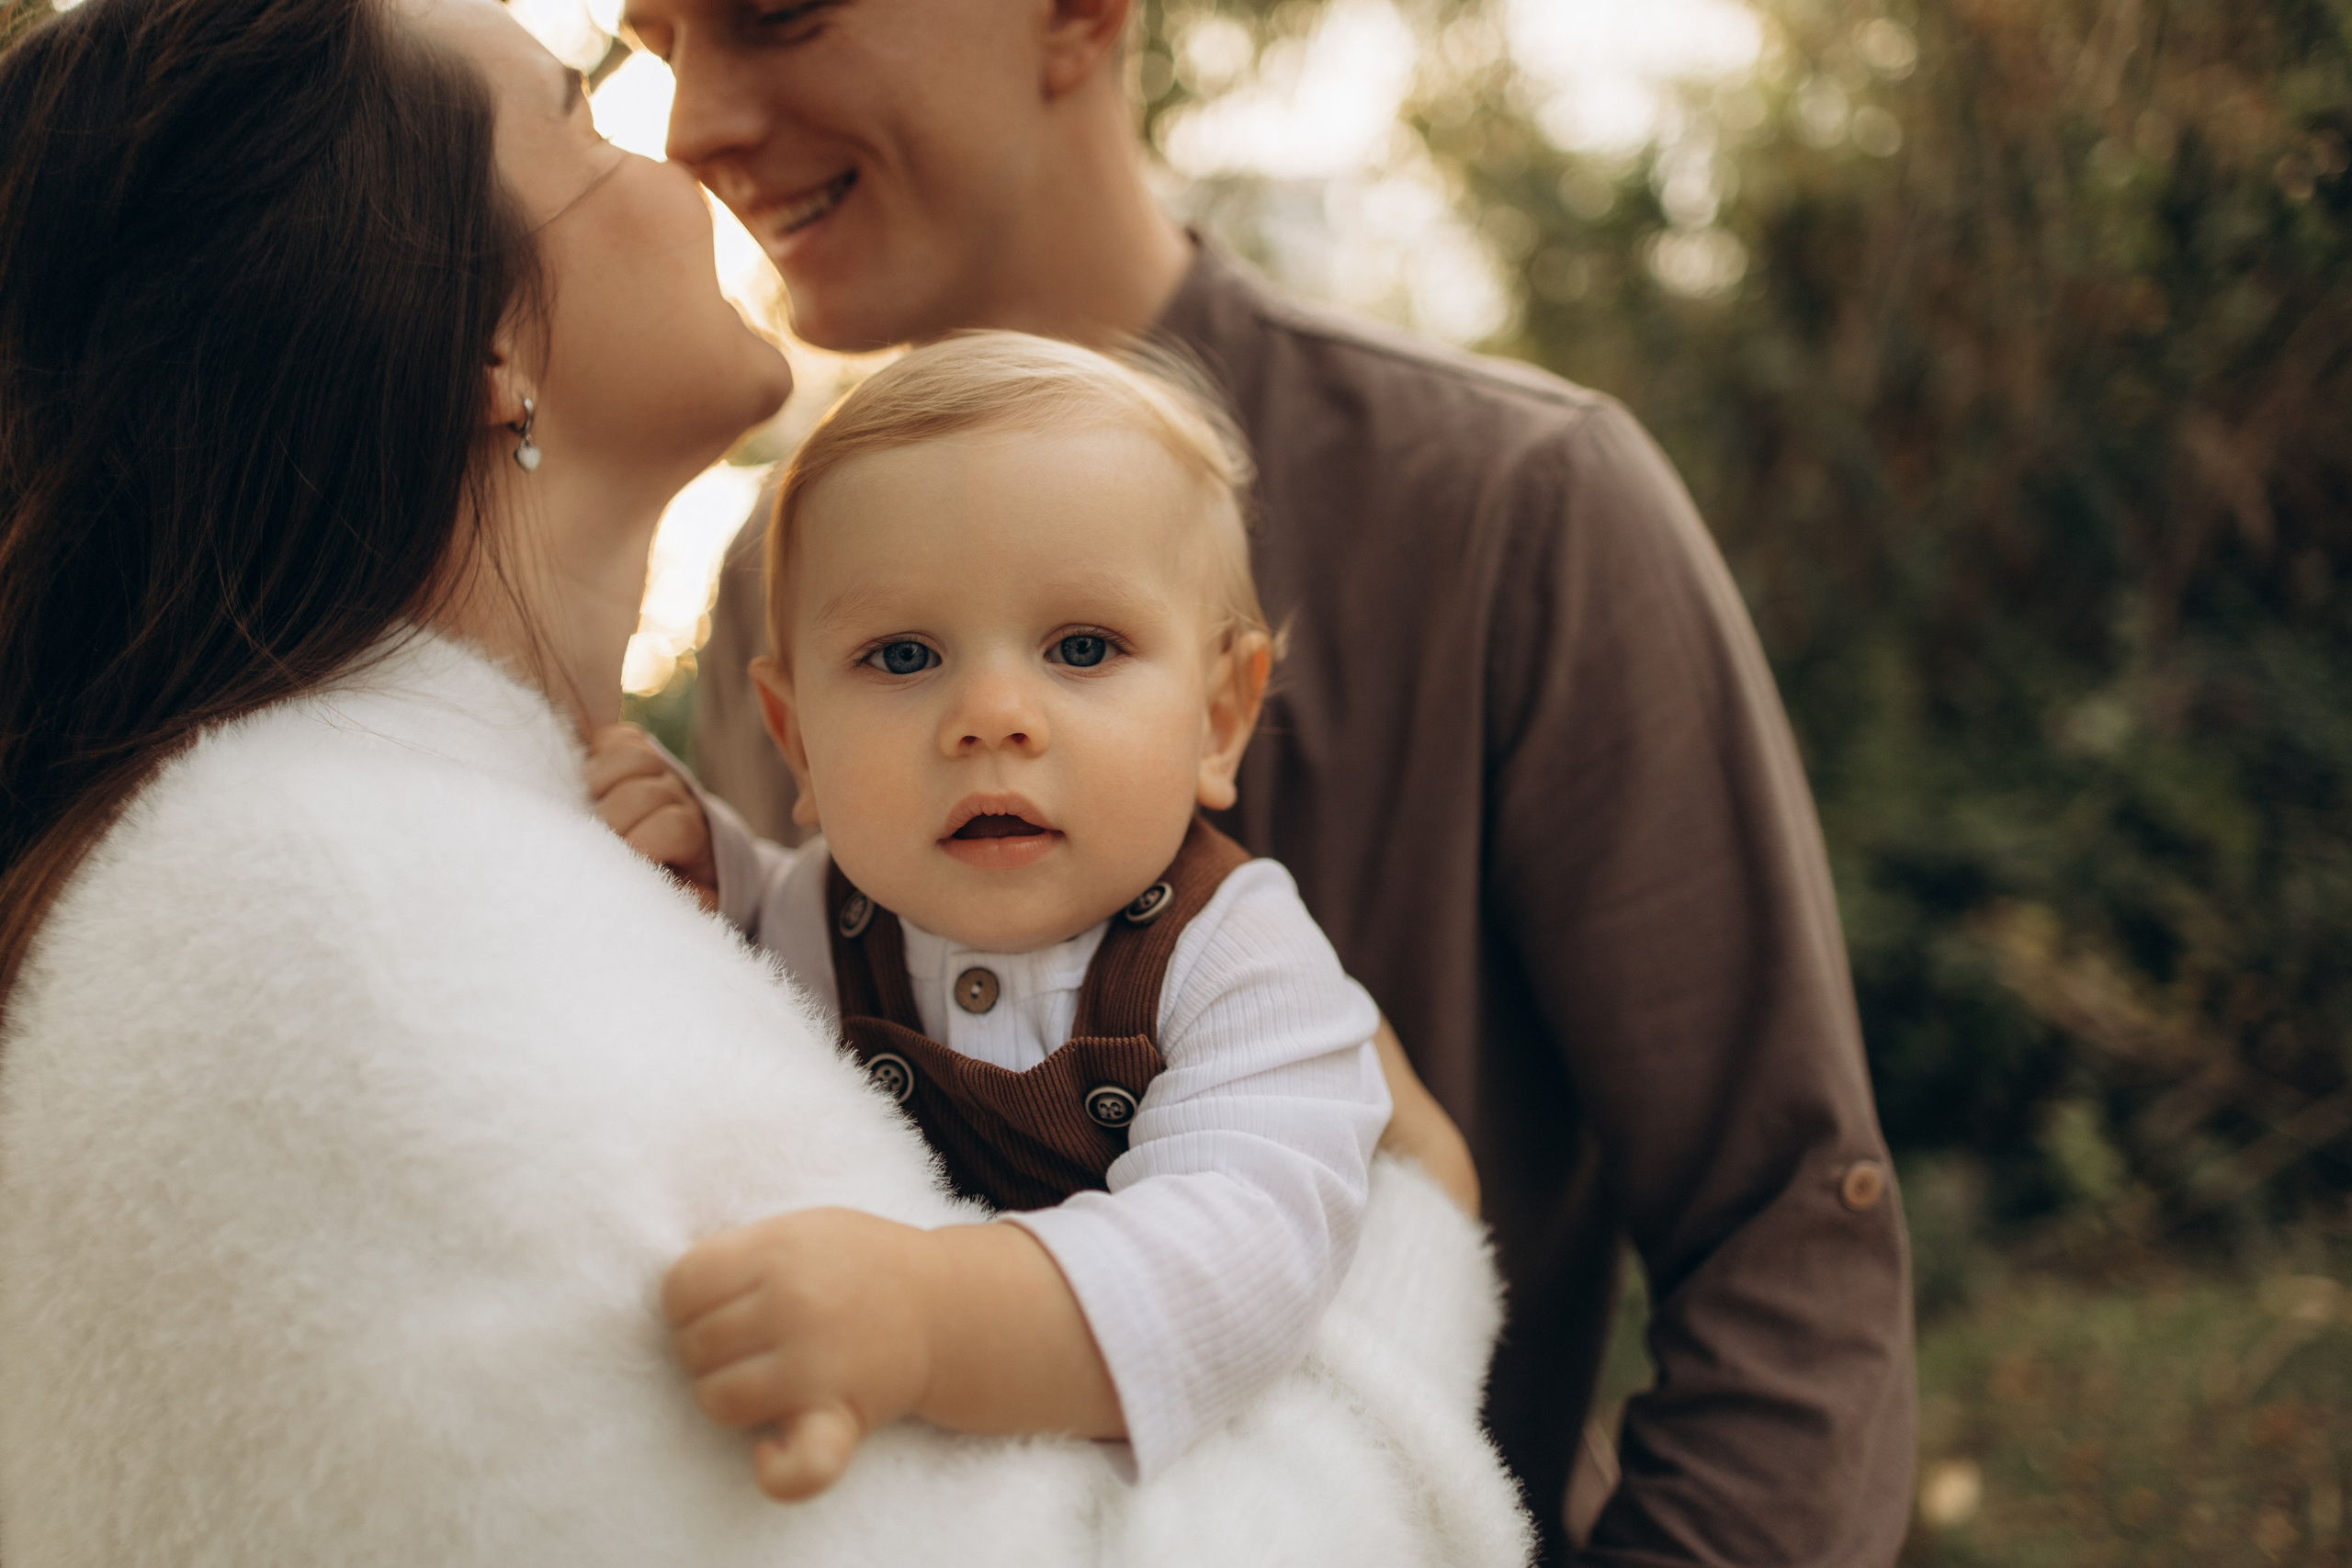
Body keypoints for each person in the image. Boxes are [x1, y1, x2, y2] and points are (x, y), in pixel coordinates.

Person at [0, 0, 1530, 1562]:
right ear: (486, 342)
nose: (678, 147)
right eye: (587, 111)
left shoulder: (414, 860)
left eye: (1082, 646)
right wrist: (1413, 1227)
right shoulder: (357, 917)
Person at [635, 0, 1918, 1559]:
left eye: (775, 13)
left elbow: (1786, 1231)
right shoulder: (778, 595)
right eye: (653, 43)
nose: (693, 121)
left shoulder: (1520, 504)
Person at [624, 331, 1401, 1489]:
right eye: (901, 656)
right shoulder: (816, 915)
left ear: (1219, 719)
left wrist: (927, 1318)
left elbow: (1244, 1252)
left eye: (1081, 646)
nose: (990, 715)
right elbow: (735, 950)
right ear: (796, 739)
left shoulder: (1237, 955)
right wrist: (699, 867)